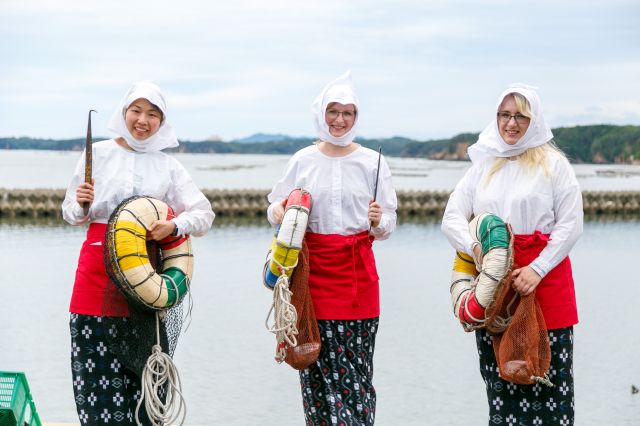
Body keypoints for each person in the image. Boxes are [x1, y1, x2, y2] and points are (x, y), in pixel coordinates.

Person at [62, 81, 214, 424]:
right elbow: (71, 214)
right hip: (95, 276)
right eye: (136, 111)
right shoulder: (96, 154)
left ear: (162, 122)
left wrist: (173, 226)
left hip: (146, 280)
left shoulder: (169, 166)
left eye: (152, 114)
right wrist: (82, 204)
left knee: (144, 383)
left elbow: (203, 215)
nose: (142, 120)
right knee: (93, 377)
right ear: (123, 112)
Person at [441, 83, 583, 425]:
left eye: (520, 116)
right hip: (495, 290)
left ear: (534, 120)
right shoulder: (484, 165)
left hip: (545, 285)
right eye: (504, 115)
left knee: (551, 387)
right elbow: (451, 218)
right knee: (501, 391)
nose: (511, 123)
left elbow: (571, 224)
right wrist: (476, 249)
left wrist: (537, 268)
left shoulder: (554, 164)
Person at [267, 71, 397, 425]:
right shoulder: (302, 160)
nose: (340, 120)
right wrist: (278, 210)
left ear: (357, 117)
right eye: (333, 111)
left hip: (358, 278)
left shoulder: (373, 162)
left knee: (356, 377)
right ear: (321, 114)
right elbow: (274, 207)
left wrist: (377, 220)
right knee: (314, 372)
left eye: (348, 113)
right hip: (310, 280)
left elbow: (389, 225)